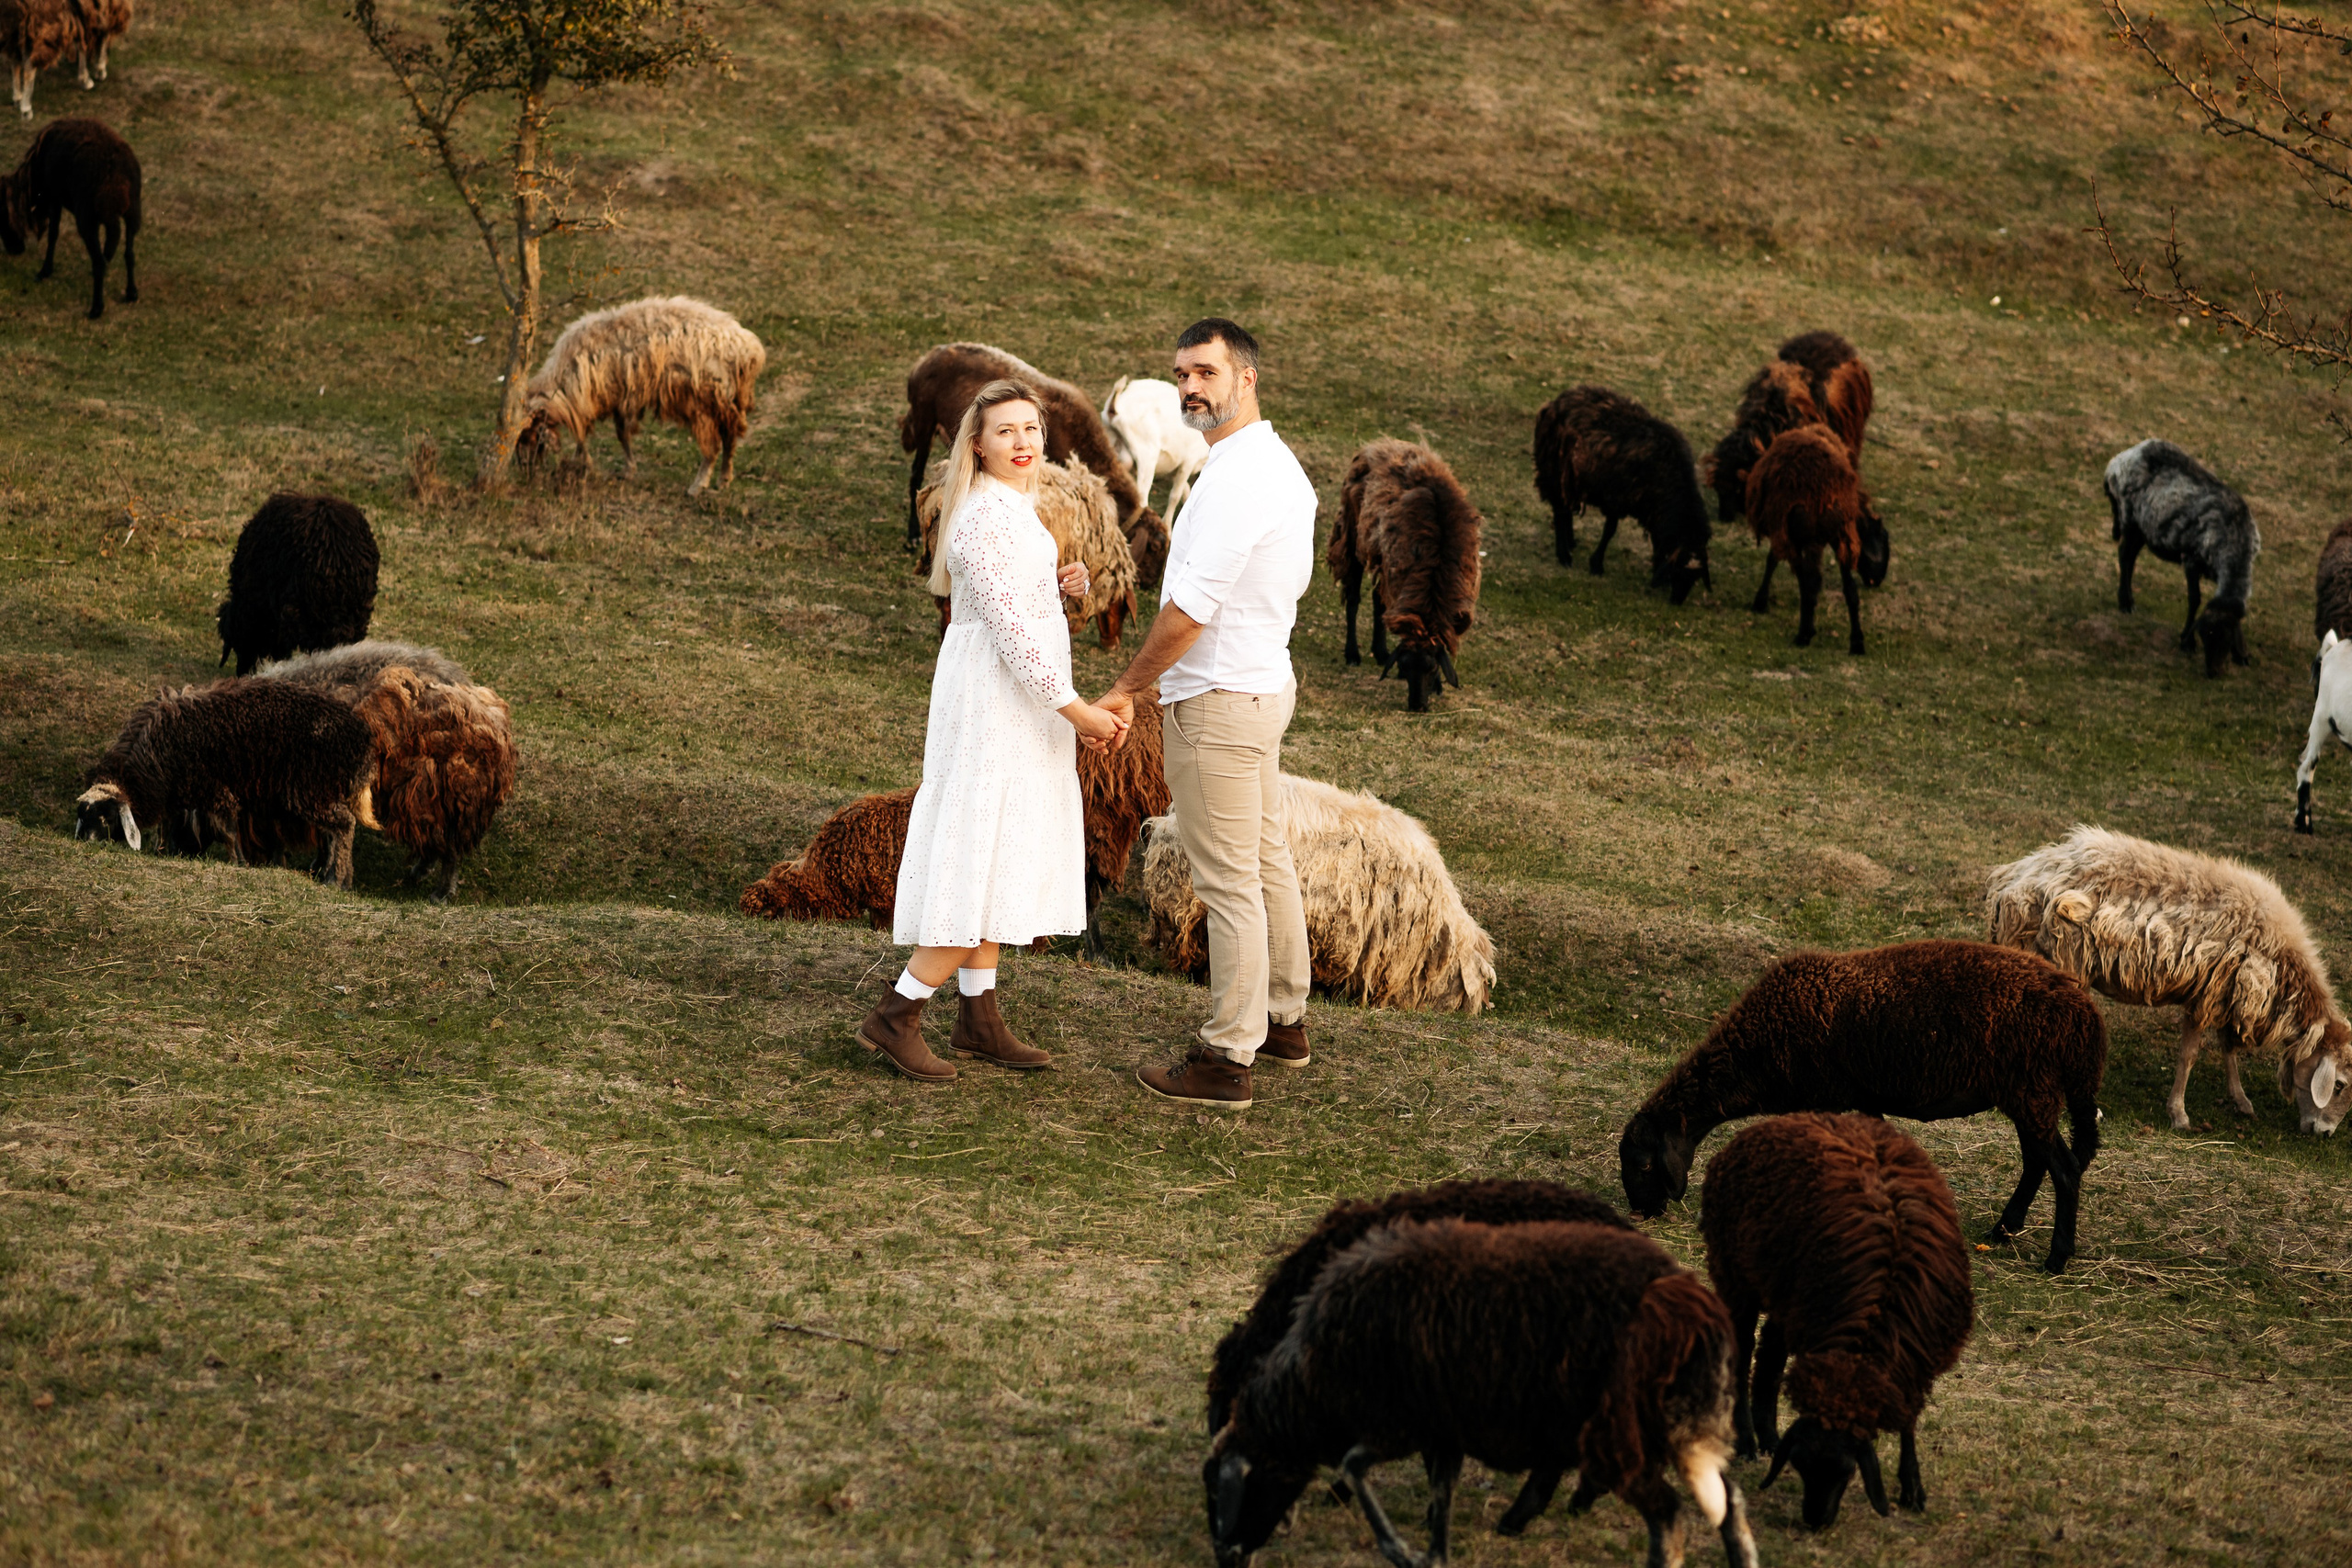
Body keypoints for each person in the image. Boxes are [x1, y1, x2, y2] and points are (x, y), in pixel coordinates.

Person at [857, 379, 1129, 1082]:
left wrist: (1057, 588)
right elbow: (1007, 630)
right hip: (996, 706)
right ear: (977, 444)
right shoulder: (982, 515)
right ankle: (897, 1013)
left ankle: (978, 1016)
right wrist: (1077, 709)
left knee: (1002, 847)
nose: (1023, 442)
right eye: (1006, 431)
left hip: (1018, 703)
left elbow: (1011, 604)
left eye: (1032, 429)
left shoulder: (1015, 508)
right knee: (981, 852)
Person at [1097, 320, 1318, 1111]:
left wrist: (1129, 687)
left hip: (1219, 701)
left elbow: (1190, 611)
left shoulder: (1236, 482)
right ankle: (1284, 1020)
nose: (1190, 387)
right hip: (1261, 687)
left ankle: (1228, 1057)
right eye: (1181, 374)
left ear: (1246, 378)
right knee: (1263, 858)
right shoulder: (1275, 464)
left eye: (1206, 372)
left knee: (1228, 882)